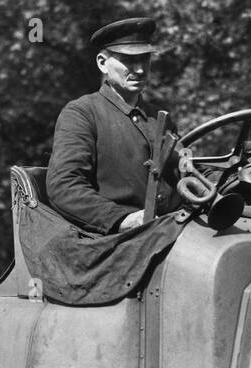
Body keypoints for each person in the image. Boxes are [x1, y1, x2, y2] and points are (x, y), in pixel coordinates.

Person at [46, 17, 181, 235]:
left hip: (171, 230)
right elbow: (64, 186)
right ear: (102, 63)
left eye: (144, 59)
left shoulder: (159, 117)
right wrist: (121, 219)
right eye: (128, 60)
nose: (139, 70)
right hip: (118, 242)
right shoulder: (81, 113)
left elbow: (181, 173)